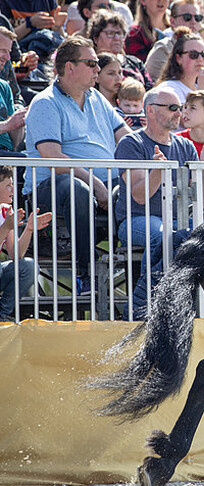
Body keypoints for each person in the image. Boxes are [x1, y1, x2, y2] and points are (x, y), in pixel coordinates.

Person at [24, 36, 132, 293]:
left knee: (134, 189)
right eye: (92, 63)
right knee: (77, 189)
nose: (97, 69)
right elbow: (53, 158)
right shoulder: (45, 103)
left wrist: (147, 158)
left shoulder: (96, 98)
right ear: (69, 67)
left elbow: (125, 136)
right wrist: (95, 184)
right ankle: (87, 274)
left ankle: (141, 277)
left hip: (104, 181)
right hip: (51, 188)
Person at [114, 86, 204, 319]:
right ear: (151, 111)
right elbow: (139, 196)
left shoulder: (184, 146)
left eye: (183, 107)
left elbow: (200, 201)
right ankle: (143, 308)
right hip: (137, 220)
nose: (180, 113)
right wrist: (158, 171)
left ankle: (192, 310)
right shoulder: (131, 143)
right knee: (165, 235)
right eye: (174, 108)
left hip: (177, 223)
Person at [0, 165, 52, 321]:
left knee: (28, 266)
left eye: (12, 185)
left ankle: (2, 313)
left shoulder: (6, 211)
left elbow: (16, 254)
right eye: (8, 186)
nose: (12, 190)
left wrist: (29, 229)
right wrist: (6, 227)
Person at [145, 2, 204, 94]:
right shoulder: (163, 49)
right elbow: (156, 92)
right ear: (172, 21)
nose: (194, 22)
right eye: (187, 17)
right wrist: (201, 92)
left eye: (198, 18)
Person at [88, 9, 153, 90]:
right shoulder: (91, 65)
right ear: (95, 38)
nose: (116, 38)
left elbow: (149, 89)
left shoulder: (134, 62)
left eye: (119, 33)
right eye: (110, 33)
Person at [154, 28, 204, 103]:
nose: (200, 59)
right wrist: (201, 91)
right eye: (193, 55)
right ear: (179, 58)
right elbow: (185, 114)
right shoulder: (168, 89)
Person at [0, 26, 26, 156]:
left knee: (26, 159)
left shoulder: (4, 87)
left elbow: (15, 143)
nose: (7, 57)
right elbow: (7, 125)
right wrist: (7, 125)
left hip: (8, 154)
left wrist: (19, 122)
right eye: (2, 51)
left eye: (9, 51)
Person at [66, 0, 133, 36]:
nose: (107, 9)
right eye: (102, 6)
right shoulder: (78, 40)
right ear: (86, 12)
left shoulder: (116, 38)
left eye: (110, 6)